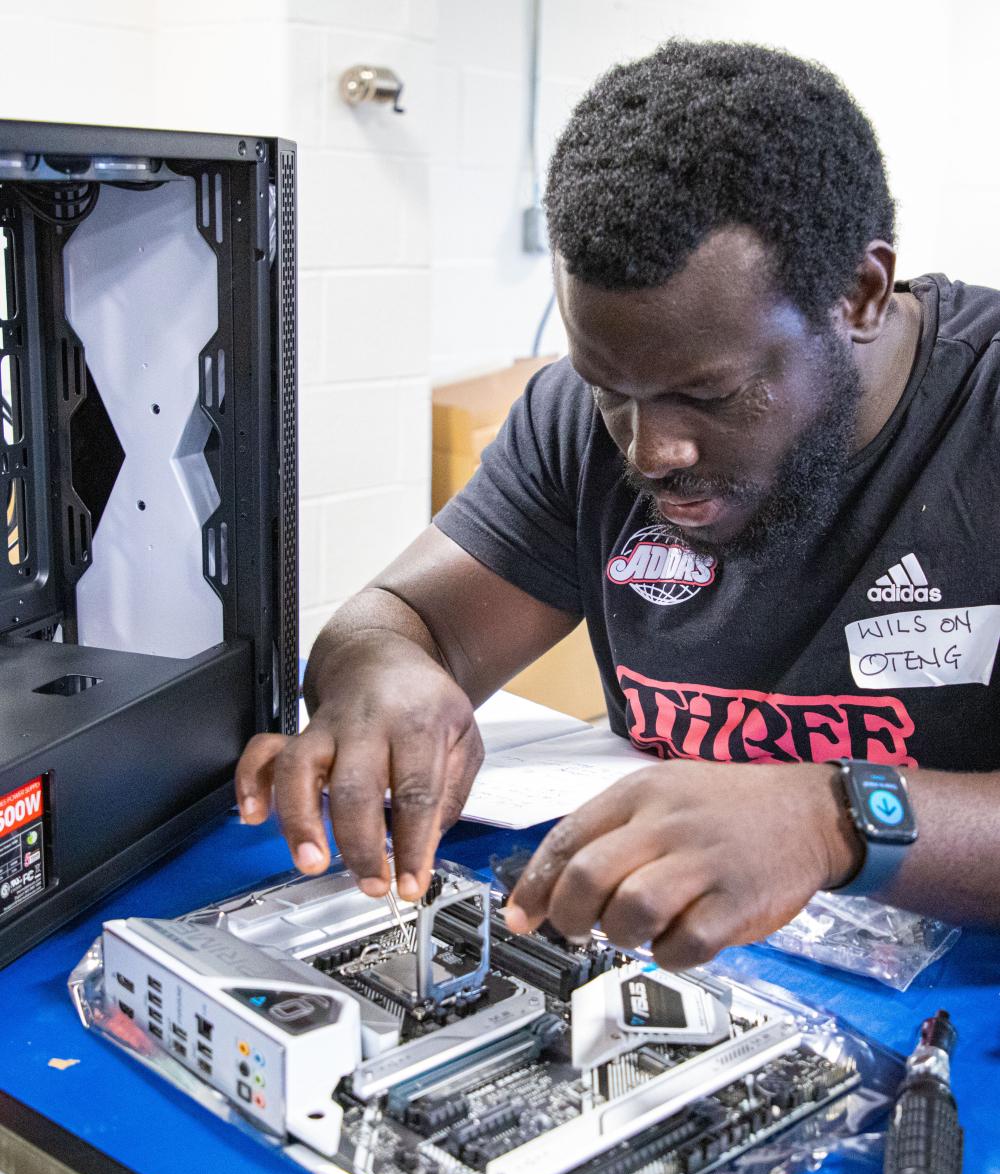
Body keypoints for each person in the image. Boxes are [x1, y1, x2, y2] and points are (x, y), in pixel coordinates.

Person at [237, 41, 1000, 969]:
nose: (651, 451)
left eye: (709, 395)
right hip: (684, 979)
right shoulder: (577, 422)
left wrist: (833, 818)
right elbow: (391, 624)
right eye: (610, 387)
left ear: (860, 295)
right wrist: (383, 676)